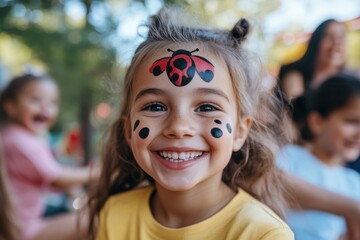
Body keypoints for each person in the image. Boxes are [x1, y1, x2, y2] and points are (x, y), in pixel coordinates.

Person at [88, 7, 294, 240]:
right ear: (128, 129)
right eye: (155, 107)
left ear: (239, 131)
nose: (178, 127)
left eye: (206, 107)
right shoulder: (115, 215)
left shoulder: (261, 234)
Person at [0, 73, 99, 240]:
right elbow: (56, 177)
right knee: (98, 219)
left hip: (28, 223)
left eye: (52, 102)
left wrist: (78, 195)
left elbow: (52, 181)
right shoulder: (18, 141)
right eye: (35, 100)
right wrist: (96, 172)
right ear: (11, 107)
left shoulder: (18, 137)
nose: (45, 107)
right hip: (22, 230)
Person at [277, 73, 360, 240]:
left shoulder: (354, 183)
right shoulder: (289, 157)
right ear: (317, 122)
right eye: (351, 121)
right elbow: (273, 185)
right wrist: (348, 207)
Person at [278, 19, 349, 100]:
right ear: (316, 42)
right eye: (329, 36)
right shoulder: (294, 75)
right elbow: (298, 108)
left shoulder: (350, 82)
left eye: (341, 36)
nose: (336, 42)